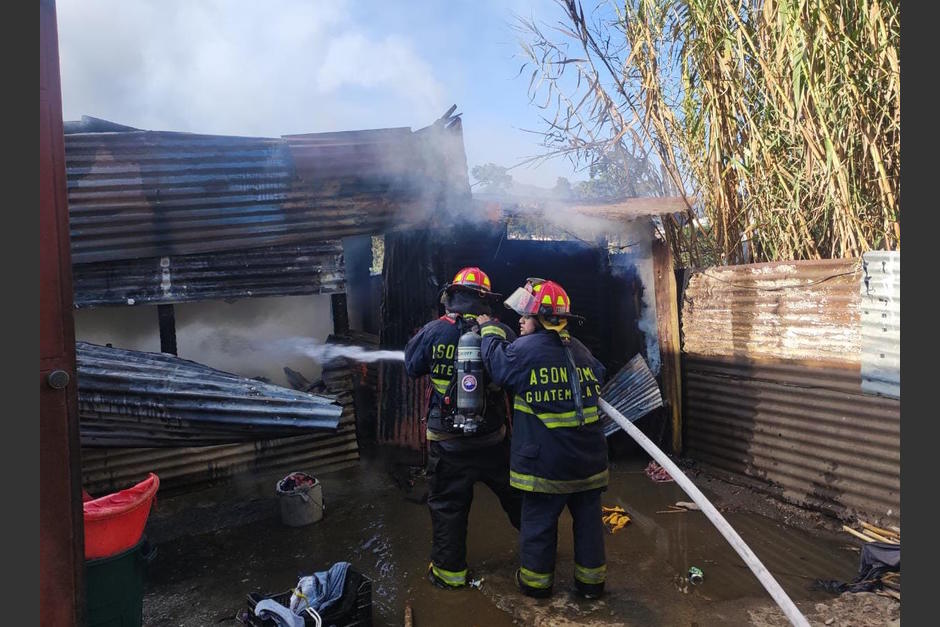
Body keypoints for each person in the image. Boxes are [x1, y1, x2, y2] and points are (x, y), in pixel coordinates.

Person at [476, 278, 608, 600]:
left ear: (544, 318)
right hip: (589, 462)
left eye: (526, 315)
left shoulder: (523, 351)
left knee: (538, 527)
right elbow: (600, 374)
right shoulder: (581, 351)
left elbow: (497, 366)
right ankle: (591, 585)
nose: (520, 320)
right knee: (589, 527)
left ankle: (536, 586)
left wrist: (489, 329)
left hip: (547, 464)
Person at [404, 266, 522, 590]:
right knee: (521, 501)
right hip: (492, 442)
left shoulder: (432, 332)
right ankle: (540, 558)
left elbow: (412, 367)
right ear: (487, 301)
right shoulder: (502, 333)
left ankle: (449, 574)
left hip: (448, 445)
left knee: (448, 509)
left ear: (451, 296)